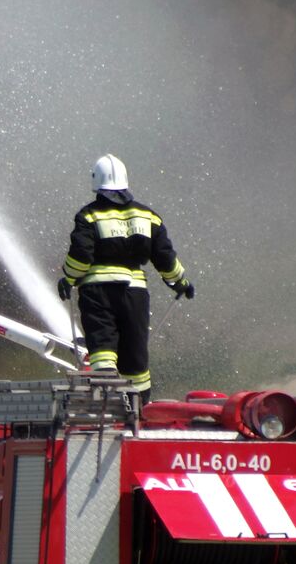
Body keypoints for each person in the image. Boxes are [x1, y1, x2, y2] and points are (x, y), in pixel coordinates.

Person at [58, 153, 195, 402]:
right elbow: (164, 257)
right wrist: (180, 282)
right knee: (135, 357)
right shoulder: (148, 216)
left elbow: (81, 256)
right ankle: (139, 407)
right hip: (135, 294)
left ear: (96, 182)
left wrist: (68, 279)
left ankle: (107, 398)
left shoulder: (89, 216)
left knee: (103, 348)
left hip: (98, 294)